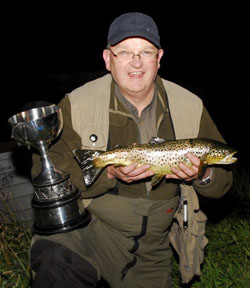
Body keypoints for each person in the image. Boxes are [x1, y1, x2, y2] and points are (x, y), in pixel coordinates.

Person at [29, 12, 233, 288]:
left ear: (158, 58)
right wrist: (108, 173)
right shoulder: (76, 105)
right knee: (55, 259)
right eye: (124, 52)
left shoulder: (190, 105)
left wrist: (203, 174)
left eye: (145, 52)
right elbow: (44, 169)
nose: (136, 62)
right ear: (107, 58)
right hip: (90, 227)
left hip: (153, 246)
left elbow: (223, 184)